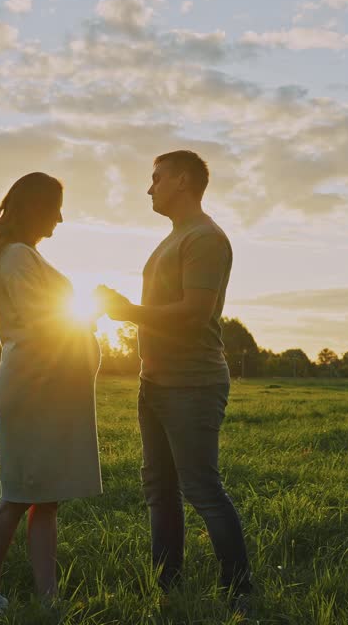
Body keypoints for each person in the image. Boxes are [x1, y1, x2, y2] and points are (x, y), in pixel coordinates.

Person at [97, 150, 252, 613]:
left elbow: (193, 313)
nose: (149, 188)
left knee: (201, 488)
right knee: (158, 489)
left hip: (192, 382)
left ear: (183, 181)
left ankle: (240, 592)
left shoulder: (205, 238)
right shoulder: (174, 238)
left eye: (156, 178)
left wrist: (123, 311)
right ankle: (166, 586)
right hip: (156, 382)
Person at [0, 172, 102, 616]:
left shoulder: (23, 256)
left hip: (44, 388)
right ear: (36, 208)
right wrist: (88, 323)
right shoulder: (16, 259)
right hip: (30, 390)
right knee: (18, 494)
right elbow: (43, 328)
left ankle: (49, 599)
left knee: (45, 497)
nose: (62, 218)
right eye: (56, 208)